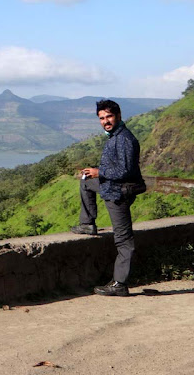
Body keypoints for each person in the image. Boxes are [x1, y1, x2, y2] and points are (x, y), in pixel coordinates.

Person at [70, 99, 143, 297]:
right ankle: (87, 223)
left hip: (119, 193)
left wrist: (99, 171)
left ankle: (119, 283)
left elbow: (124, 170)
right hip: (110, 187)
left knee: (123, 240)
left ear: (118, 116)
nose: (105, 121)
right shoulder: (114, 136)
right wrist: (94, 174)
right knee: (85, 182)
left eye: (109, 116)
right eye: (102, 118)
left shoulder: (124, 139)